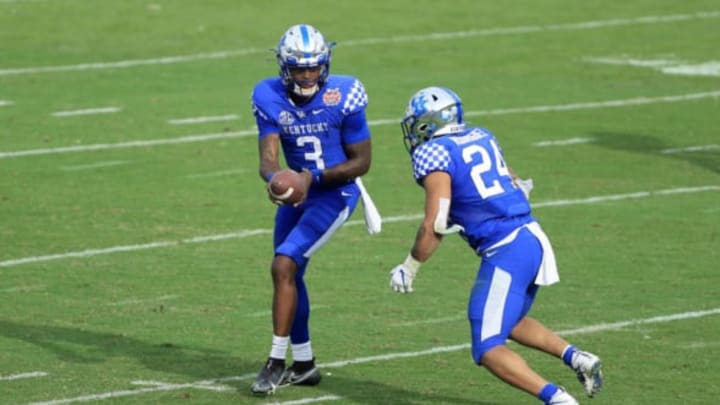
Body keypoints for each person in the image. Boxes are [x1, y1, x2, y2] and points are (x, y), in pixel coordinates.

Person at [388, 86, 603, 405]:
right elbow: (516, 183)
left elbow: (435, 223)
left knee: (487, 346)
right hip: (531, 238)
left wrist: (410, 266)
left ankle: (558, 400)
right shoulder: (481, 135)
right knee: (509, 320)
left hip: (507, 248)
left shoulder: (433, 152)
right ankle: (577, 358)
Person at [249, 24, 372, 395]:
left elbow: (362, 162)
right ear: (284, 67)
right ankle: (303, 364)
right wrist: (276, 180)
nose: (307, 75)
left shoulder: (345, 93)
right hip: (298, 195)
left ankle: (274, 361)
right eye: (299, 68)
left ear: (325, 64)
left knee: (284, 264)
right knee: (289, 271)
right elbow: (268, 158)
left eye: (313, 67)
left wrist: (310, 178)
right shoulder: (268, 95)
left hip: (335, 194)